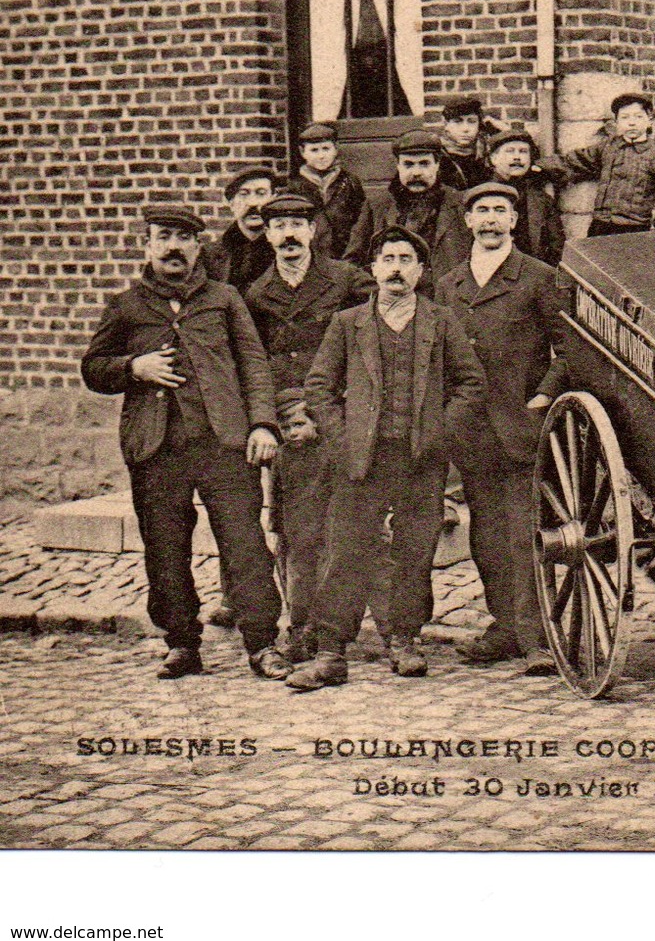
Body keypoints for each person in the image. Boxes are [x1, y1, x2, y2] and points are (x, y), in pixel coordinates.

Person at [80, 209, 287, 680]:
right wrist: (134, 367)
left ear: (199, 248)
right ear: (147, 246)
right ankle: (181, 643)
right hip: (158, 447)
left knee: (246, 546)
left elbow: (254, 364)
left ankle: (262, 644)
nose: (174, 248)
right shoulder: (126, 304)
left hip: (223, 443)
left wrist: (262, 425)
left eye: (184, 239)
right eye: (164, 238)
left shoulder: (225, 297)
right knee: (165, 548)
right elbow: (93, 367)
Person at [290, 225, 486, 690]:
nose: (396, 268)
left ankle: (404, 640)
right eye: (388, 259)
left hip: (421, 459)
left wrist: (439, 432)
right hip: (362, 461)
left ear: (420, 270)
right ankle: (331, 651)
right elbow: (319, 387)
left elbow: (471, 384)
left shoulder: (440, 321)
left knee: (414, 553)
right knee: (346, 550)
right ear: (374, 268)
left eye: (406, 260)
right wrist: (343, 439)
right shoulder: (348, 322)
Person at [436, 182, 566, 675]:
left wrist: (543, 396)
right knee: (487, 534)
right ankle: (505, 626)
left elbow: (569, 346)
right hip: (469, 428)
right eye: (481, 212)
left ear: (514, 220)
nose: (490, 220)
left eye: (500, 211)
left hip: (520, 424)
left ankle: (537, 637)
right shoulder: (448, 284)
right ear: (468, 221)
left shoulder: (538, 278)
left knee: (522, 531)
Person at [242, 193, 374, 663]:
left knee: (348, 529)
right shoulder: (256, 295)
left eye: (298, 224)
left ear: (314, 231)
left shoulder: (347, 281)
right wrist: (281, 420)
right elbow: (257, 364)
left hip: (342, 420)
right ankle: (302, 628)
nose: (290, 235)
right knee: (298, 531)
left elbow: (369, 351)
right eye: (279, 227)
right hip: (290, 426)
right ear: (268, 236)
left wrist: (329, 414)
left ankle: (340, 628)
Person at [538, 92, 655, 235]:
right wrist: (541, 166)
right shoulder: (608, 147)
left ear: (649, 121)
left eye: (638, 117)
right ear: (617, 122)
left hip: (635, 228)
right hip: (601, 225)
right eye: (625, 117)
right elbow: (577, 160)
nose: (631, 123)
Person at [344, 129, 470, 290]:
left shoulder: (461, 204)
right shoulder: (377, 205)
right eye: (408, 164)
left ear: (437, 165)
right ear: (398, 165)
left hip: (446, 303)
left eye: (424, 164)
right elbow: (352, 263)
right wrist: (381, 291)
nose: (416, 172)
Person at [286, 123, 367, 259]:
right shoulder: (294, 186)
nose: (321, 156)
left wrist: (351, 254)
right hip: (310, 257)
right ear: (302, 152)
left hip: (345, 256)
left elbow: (360, 222)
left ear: (335, 149)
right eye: (314, 150)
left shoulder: (350, 182)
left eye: (326, 149)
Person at [486, 127, 564, 265]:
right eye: (510, 151)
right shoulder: (481, 196)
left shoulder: (542, 201)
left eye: (523, 151)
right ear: (494, 158)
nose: (517, 157)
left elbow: (557, 248)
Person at [202, 167, 277, 290]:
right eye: (244, 194)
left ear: (273, 200)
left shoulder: (287, 250)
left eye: (261, 193)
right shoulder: (208, 255)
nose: (253, 202)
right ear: (231, 203)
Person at [437, 94, 493, 191]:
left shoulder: (487, 154)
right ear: (446, 124)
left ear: (479, 125)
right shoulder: (437, 154)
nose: (465, 129)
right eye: (458, 121)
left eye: (472, 121)